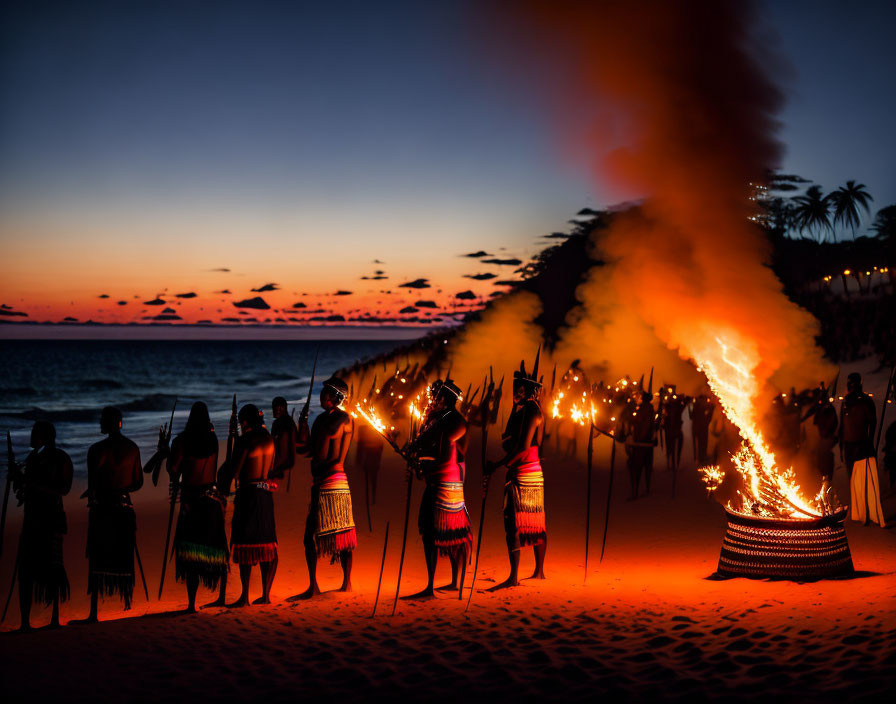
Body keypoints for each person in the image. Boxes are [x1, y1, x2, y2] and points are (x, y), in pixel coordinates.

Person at [403, 379, 473, 599]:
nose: (431, 400)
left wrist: (422, 455)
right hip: (435, 478)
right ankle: (437, 583)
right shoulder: (434, 420)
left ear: (444, 398)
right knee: (429, 529)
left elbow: (442, 450)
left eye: (435, 396)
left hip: (447, 482)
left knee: (447, 532)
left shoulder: (456, 421)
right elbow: (427, 446)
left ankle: (440, 584)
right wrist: (416, 458)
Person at [75, 406, 144, 623]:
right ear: (120, 423)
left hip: (103, 508)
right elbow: (138, 482)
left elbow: (93, 484)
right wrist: (121, 487)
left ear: (111, 423)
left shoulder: (96, 450)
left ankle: (94, 612)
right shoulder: (132, 448)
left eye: (103, 420)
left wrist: (98, 493)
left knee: (97, 556)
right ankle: (126, 601)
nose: (99, 424)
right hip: (125, 507)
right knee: (123, 555)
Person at [292, 376, 356, 600]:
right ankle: (315, 585)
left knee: (341, 536)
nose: (322, 396)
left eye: (327, 392)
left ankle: (344, 583)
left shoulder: (341, 420)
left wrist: (309, 434)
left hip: (332, 482)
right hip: (322, 482)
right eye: (322, 392)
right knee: (314, 536)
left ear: (336, 396)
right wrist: (302, 427)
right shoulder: (322, 420)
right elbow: (306, 450)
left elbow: (318, 452)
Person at [485, 360, 546, 590]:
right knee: (531, 521)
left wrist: (498, 464)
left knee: (518, 522)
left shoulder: (532, 411)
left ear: (529, 390)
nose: (515, 394)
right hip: (526, 469)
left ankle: (517, 576)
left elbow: (522, 447)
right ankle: (536, 572)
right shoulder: (524, 409)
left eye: (520, 390)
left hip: (524, 471)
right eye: (514, 390)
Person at [11, 421, 73, 631]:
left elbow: (64, 489)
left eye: (34, 433)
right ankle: (25, 622)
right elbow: (24, 491)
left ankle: (54, 618)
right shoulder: (33, 458)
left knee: (53, 568)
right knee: (26, 569)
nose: (30, 437)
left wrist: (30, 484)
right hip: (32, 518)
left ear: (44, 436)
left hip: (51, 518)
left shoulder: (60, 458)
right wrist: (18, 479)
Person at [168, 402, 229, 612]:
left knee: (191, 552)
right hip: (212, 499)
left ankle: (192, 604)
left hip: (191, 501)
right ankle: (221, 596)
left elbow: (174, 470)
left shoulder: (182, 441)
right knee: (217, 548)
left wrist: (166, 454)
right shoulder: (212, 440)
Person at [219, 404, 277, 607]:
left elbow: (235, 471)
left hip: (248, 494)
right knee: (267, 543)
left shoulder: (245, 441)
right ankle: (266, 594)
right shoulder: (269, 439)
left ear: (244, 422)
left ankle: (244, 597)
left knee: (245, 545)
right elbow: (271, 468)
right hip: (265, 493)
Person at [838, 372, 876, 476]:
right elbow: (842, 425)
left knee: (860, 477)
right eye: (849, 383)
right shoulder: (846, 402)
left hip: (861, 445)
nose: (851, 386)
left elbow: (872, 423)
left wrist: (869, 443)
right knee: (852, 477)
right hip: (849, 446)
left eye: (853, 383)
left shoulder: (866, 401)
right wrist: (841, 447)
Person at [623, 390, 657, 499]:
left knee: (636, 468)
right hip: (647, 443)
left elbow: (644, 425)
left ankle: (635, 491)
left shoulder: (644, 410)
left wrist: (632, 421)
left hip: (641, 443)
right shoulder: (649, 410)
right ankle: (645, 489)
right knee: (647, 468)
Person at [270, 396, 297, 481]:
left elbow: (283, 449)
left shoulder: (281, 423)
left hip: (282, 464)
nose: (273, 410)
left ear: (282, 408)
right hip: (287, 462)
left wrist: (275, 468)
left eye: (274, 407)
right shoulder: (289, 422)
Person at [690, 393, 715, 465]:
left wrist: (711, 409)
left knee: (703, 443)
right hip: (699, 428)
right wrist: (711, 409)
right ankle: (700, 458)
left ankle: (702, 457)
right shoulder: (697, 407)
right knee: (701, 443)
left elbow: (708, 417)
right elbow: (692, 416)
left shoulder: (699, 406)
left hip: (702, 427)